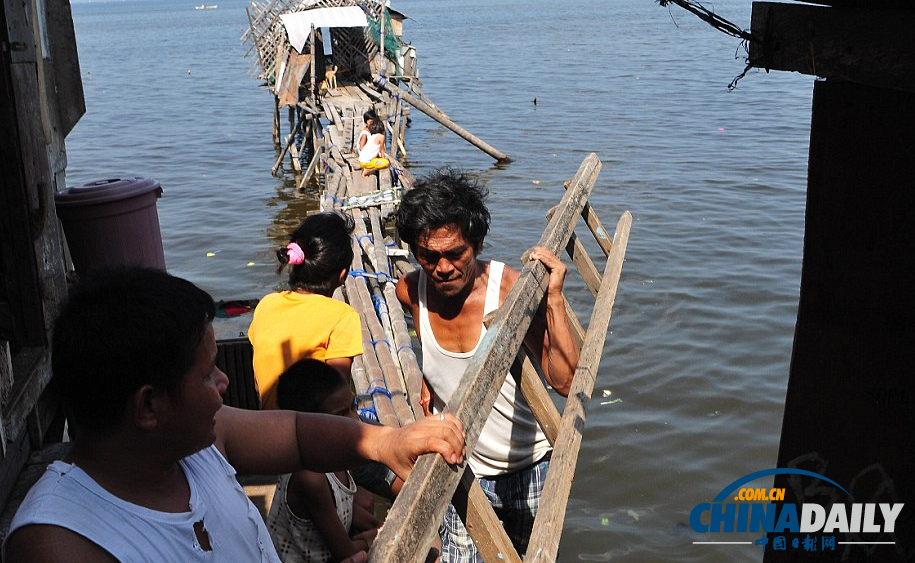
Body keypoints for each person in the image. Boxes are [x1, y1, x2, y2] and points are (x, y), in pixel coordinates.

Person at [3, 266, 464, 563]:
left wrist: (385, 443)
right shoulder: (61, 544)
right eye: (208, 375)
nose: (225, 384)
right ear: (148, 406)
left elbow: (298, 433)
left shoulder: (194, 444)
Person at [394, 168, 579, 562]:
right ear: (414, 252)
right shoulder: (410, 291)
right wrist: (430, 385)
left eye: (455, 253)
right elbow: (434, 357)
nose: (443, 268)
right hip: (462, 467)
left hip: (528, 466)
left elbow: (564, 382)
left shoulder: (508, 288)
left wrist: (555, 299)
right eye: (429, 256)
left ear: (476, 244)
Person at [267, 359, 380, 563]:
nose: (355, 420)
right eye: (341, 415)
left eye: (353, 407)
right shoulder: (310, 478)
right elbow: (346, 554)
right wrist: (371, 538)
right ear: (309, 426)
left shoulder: (337, 453)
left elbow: (344, 506)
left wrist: (380, 527)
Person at [248, 212, 361, 410]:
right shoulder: (342, 316)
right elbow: (336, 404)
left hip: (269, 425)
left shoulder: (266, 305)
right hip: (314, 432)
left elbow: (259, 383)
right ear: (342, 275)